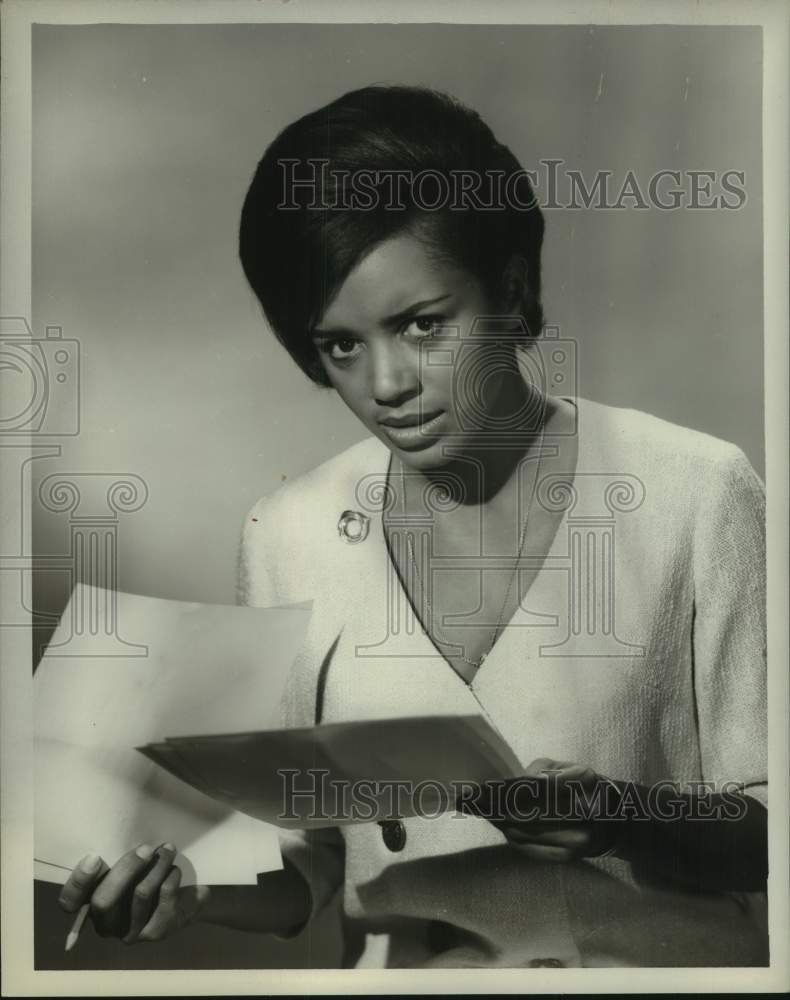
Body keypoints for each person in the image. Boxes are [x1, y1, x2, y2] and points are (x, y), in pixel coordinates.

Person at [58, 85, 768, 968]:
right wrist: (185, 889)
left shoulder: (696, 491)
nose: (386, 384)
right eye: (341, 345)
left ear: (511, 289)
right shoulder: (289, 533)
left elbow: (770, 826)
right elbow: (306, 855)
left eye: (421, 324)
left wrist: (622, 817)